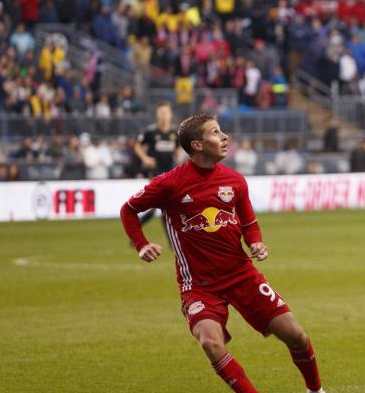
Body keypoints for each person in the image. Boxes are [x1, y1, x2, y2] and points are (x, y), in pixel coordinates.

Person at [119, 113, 324, 393]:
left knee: (296, 335)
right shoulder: (169, 183)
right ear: (198, 145)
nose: (224, 136)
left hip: (242, 275)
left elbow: (249, 222)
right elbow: (128, 209)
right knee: (210, 343)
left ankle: (315, 391)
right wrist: (142, 243)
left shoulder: (235, 181)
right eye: (215, 132)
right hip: (199, 286)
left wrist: (256, 242)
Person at [134, 102, 181, 230]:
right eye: (161, 113)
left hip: (170, 174)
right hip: (155, 173)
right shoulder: (151, 132)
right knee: (161, 207)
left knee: (162, 208)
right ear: (157, 115)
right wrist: (145, 158)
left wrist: (178, 157)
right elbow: (137, 145)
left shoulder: (174, 133)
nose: (164, 116)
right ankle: (135, 228)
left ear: (170, 114)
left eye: (166, 113)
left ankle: (135, 227)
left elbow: (178, 149)